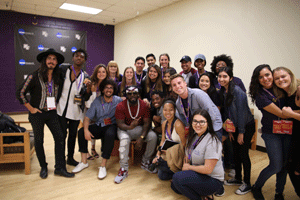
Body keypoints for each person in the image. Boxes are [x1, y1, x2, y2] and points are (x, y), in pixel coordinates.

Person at [16, 48, 74, 178]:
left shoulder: (58, 76)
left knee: (60, 137)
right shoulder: (34, 76)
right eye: (49, 59)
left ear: (56, 62)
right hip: (37, 113)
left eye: (54, 59)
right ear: (44, 61)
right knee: (39, 140)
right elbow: (20, 92)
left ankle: (60, 167)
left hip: (52, 113)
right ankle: (43, 167)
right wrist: (30, 108)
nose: (51, 61)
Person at [249, 65, 292, 200]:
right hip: (271, 133)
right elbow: (282, 114)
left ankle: (279, 193)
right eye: (260, 77)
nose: (265, 79)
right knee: (276, 165)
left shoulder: (281, 88)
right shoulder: (260, 95)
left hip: (287, 131)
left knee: (284, 165)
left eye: (267, 74)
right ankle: (256, 186)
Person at [72, 80, 122, 179]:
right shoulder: (97, 101)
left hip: (111, 126)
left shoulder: (118, 100)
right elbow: (87, 118)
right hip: (99, 125)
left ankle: (103, 166)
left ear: (113, 90)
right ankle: (84, 162)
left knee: (110, 134)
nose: (109, 90)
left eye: (111, 88)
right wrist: (86, 130)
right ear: (103, 90)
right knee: (81, 132)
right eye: (106, 88)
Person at [171, 109, 224, 200]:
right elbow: (187, 155)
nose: (198, 124)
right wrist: (186, 162)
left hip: (212, 179)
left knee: (177, 179)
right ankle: (204, 195)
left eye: (202, 122)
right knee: (174, 185)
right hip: (198, 174)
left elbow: (208, 169)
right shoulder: (194, 136)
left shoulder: (212, 141)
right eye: (195, 121)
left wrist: (188, 167)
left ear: (208, 124)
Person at [217, 67, 255, 195]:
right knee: (236, 153)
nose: (222, 79)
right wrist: (230, 130)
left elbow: (242, 114)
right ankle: (238, 178)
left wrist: (241, 132)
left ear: (231, 78)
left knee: (243, 154)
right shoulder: (224, 91)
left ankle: (248, 183)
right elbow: (228, 112)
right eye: (220, 76)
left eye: (225, 76)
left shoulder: (238, 92)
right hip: (235, 127)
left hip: (245, 126)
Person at [114, 86, 157, 184]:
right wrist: (130, 126)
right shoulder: (120, 105)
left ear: (138, 94)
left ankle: (145, 162)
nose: (132, 95)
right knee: (124, 139)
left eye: (134, 93)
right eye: (129, 94)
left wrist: (141, 137)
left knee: (153, 136)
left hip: (140, 128)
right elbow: (120, 124)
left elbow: (147, 123)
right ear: (126, 95)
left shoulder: (144, 105)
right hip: (125, 129)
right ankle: (124, 168)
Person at [57, 48, 92, 166]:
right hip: (61, 109)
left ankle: (70, 158)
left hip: (76, 111)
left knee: (72, 136)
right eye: (77, 56)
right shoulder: (63, 70)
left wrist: (88, 88)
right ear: (73, 58)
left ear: (85, 60)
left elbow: (86, 97)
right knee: (61, 136)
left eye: (82, 57)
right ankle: (60, 159)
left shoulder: (85, 76)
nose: (79, 58)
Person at [273, 67, 300, 198]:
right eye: (277, 78)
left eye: (283, 76)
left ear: (290, 75)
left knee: (297, 171)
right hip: (294, 136)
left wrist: (291, 114)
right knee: (290, 167)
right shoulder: (285, 94)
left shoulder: (299, 89)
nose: (280, 80)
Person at [170, 74, 223, 141]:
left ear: (185, 83)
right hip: (198, 129)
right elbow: (183, 118)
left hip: (213, 127)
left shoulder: (198, 94)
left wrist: (204, 132)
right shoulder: (178, 103)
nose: (177, 86)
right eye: (174, 85)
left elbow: (212, 114)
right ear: (172, 89)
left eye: (179, 83)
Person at [152, 99, 186, 180]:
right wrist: (158, 154)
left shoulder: (178, 124)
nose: (168, 112)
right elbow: (163, 140)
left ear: (174, 111)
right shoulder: (164, 123)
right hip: (168, 154)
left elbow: (185, 144)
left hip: (178, 154)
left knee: (159, 166)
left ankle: (178, 171)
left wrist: (172, 151)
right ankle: (175, 172)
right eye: (165, 110)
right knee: (161, 176)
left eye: (170, 110)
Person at [85, 64, 108, 160]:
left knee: (101, 128)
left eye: (103, 72)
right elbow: (88, 101)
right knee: (89, 130)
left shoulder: (107, 84)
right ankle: (89, 150)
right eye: (99, 72)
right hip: (90, 110)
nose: (101, 74)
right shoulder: (91, 83)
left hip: (102, 112)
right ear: (96, 73)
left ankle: (98, 148)